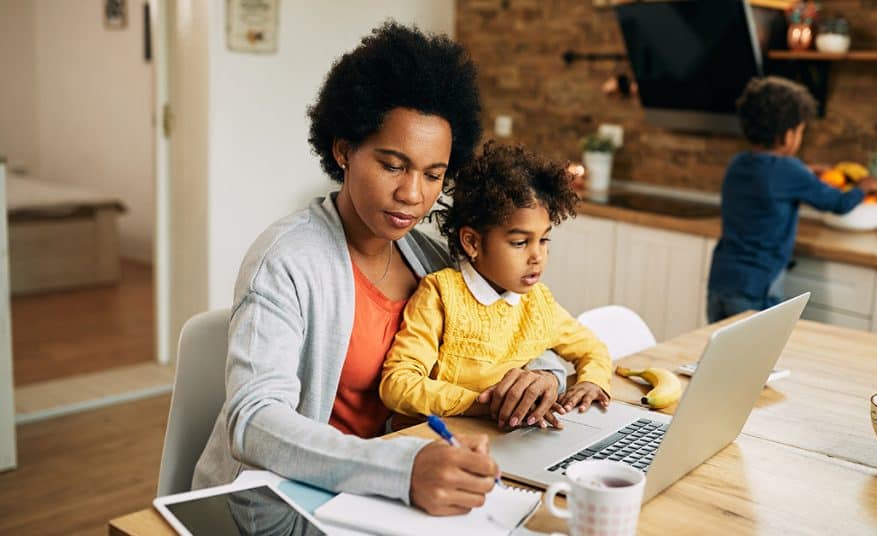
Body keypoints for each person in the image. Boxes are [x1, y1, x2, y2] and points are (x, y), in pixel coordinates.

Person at [192, 22, 567, 516]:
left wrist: (544, 376)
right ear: (344, 150)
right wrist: (399, 468)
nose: (413, 194)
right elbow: (254, 419)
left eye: (433, 175)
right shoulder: (286, 259)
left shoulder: (432, 259)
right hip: (282, 507)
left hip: (392, 498)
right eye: (393, 165)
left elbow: (525, 328)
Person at [380, 142, 614, 427]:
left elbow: (593, 349)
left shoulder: (539, 304)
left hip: (500, 435)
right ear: (472, 242)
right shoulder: (441, 294)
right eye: (519, 243)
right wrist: (486, 404)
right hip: (433, 439)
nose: (537, 256)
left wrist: (592, 382)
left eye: (544, 240)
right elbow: (397, 385)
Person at [707, 76, 877, 323]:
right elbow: (838, 204)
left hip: (720, 282)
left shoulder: (738, 164)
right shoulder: (790, 171)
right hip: (757, 288)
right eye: (800, 131)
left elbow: (769, 177)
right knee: (756, 358)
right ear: (788, 136)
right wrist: (862, 188)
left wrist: (806, 172)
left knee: (722, 356)